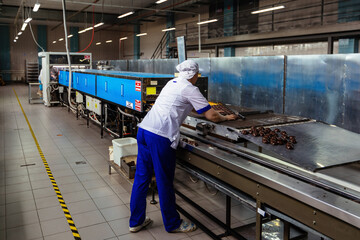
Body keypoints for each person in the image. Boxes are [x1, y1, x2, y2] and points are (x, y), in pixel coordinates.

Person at [129, 60, 238, 233]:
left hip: (144, 130)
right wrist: (225, 118)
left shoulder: (172, 83)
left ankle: (136, 221)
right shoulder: (191, 88)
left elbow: (187, 105)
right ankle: (173, 224)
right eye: (197, 75)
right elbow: (212, 116)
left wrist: (203, 109)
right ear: (195, 75)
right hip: (160, 136)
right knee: (164, 181)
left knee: (142, 179)